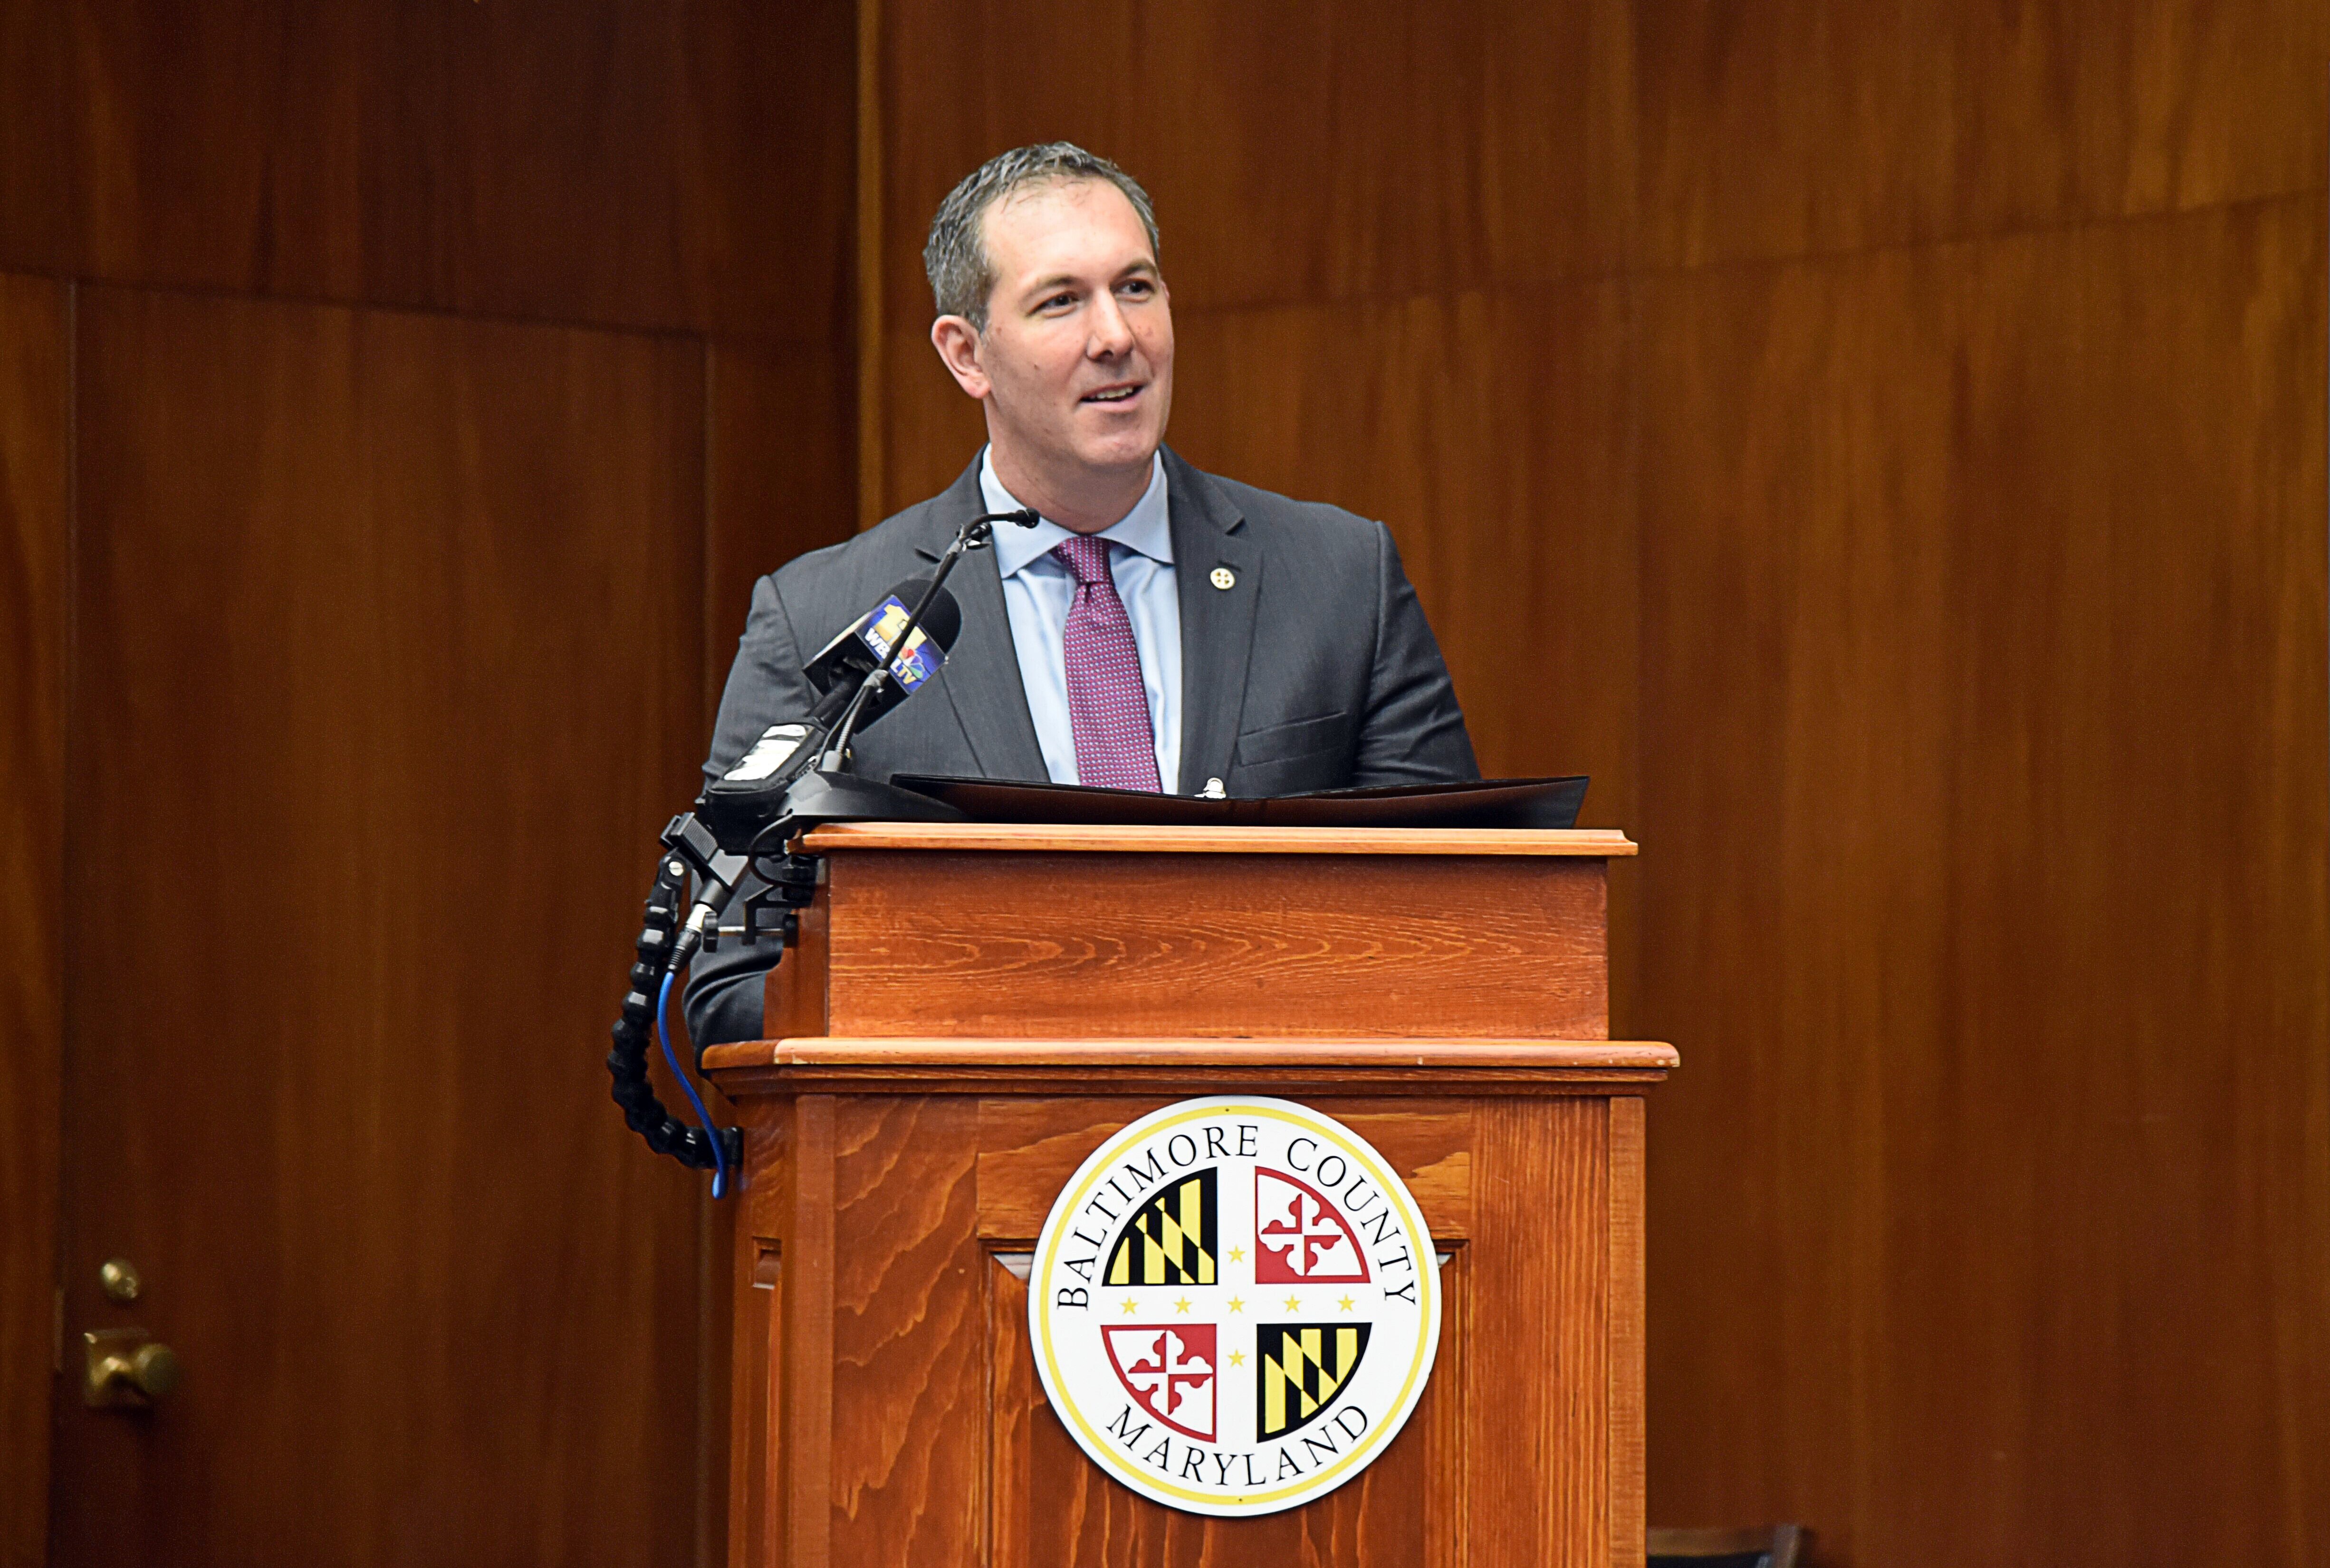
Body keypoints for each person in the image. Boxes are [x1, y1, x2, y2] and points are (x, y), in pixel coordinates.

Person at [685, 142, 1478, 1044]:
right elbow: (731, 980)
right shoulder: (825, 618)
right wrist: (995, 1015)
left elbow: (1458, 920)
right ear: (966, 355)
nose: (1117, 336)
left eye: (1136, 288)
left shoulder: (1339, 578)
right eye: (1061, 301)